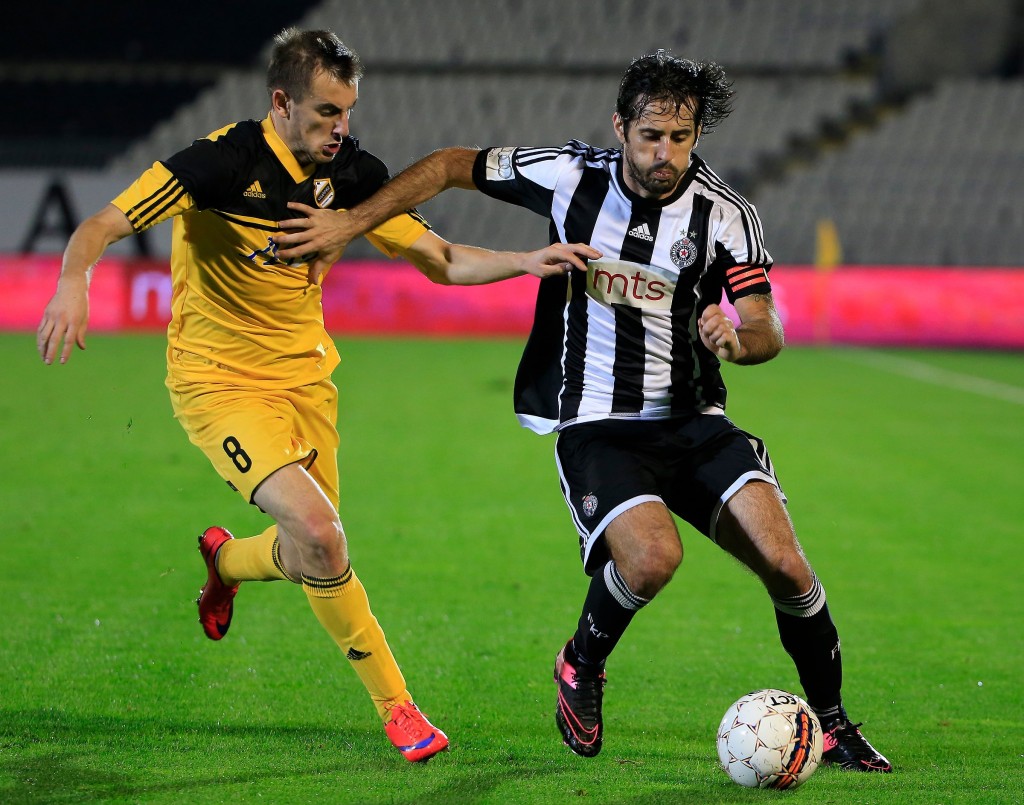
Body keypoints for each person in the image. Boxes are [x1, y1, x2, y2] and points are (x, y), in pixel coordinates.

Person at [271, 50, 893, 773]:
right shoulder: (569, 175)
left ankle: (834, 725)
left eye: (681, 138)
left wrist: (739, 338)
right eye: (651, 136)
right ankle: (582, 663)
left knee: (788, 567)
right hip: (598, 425)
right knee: (653, 558)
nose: (665, 155)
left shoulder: (725, 215)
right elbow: (446, 165)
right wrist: (349, 223)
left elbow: (765, 325)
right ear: (620, 127)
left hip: (696, 422)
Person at [35, 27, 597, 764]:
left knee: (310, 556)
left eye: (348, 111)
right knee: (324, 535)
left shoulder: (352, 177)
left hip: (305, 380)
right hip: (217, 381)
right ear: (282, 102)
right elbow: (102, 223)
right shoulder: (220, 162)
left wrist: (526, 260)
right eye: (327, 111)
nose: (341, 128)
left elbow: (442, 258)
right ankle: (399, 708)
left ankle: (226, 562)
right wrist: (73, 281)